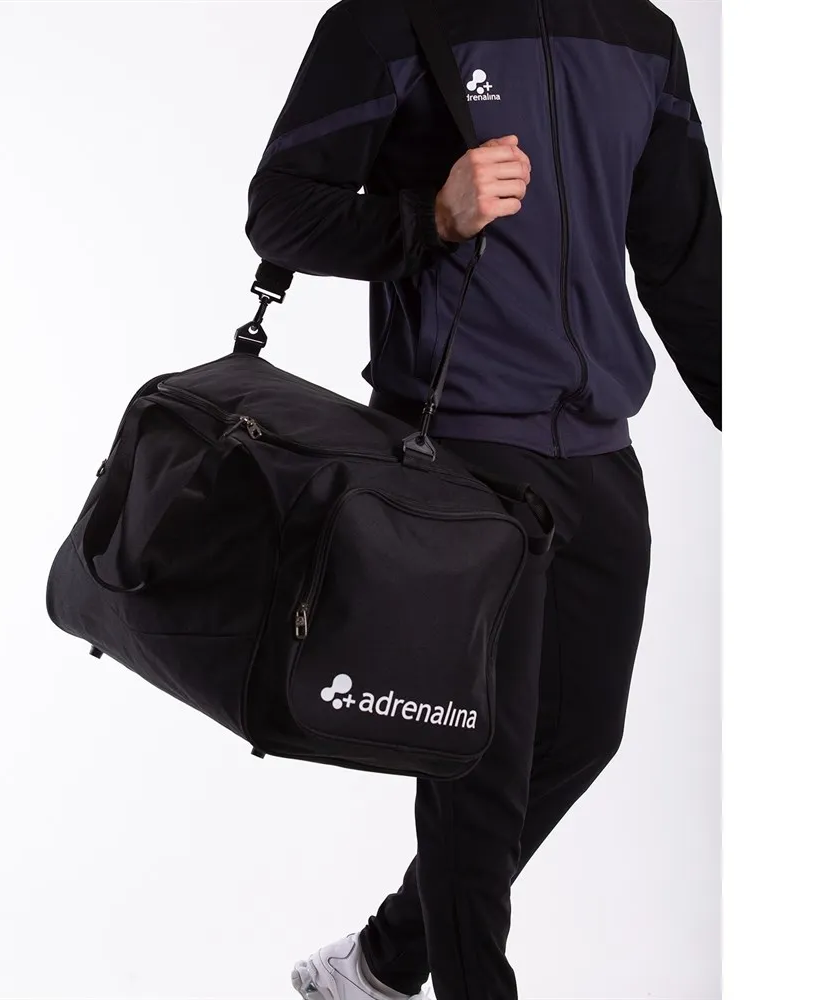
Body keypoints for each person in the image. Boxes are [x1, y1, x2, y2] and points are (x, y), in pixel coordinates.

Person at [245, 0, 721, 996]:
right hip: (453, 450)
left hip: (599, 450)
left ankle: (382, 960)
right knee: (479, 766)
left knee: (580, 736)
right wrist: (432, 217)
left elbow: (687, 265)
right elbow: (280, 211)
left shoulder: (639, 33)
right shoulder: (389, 21)